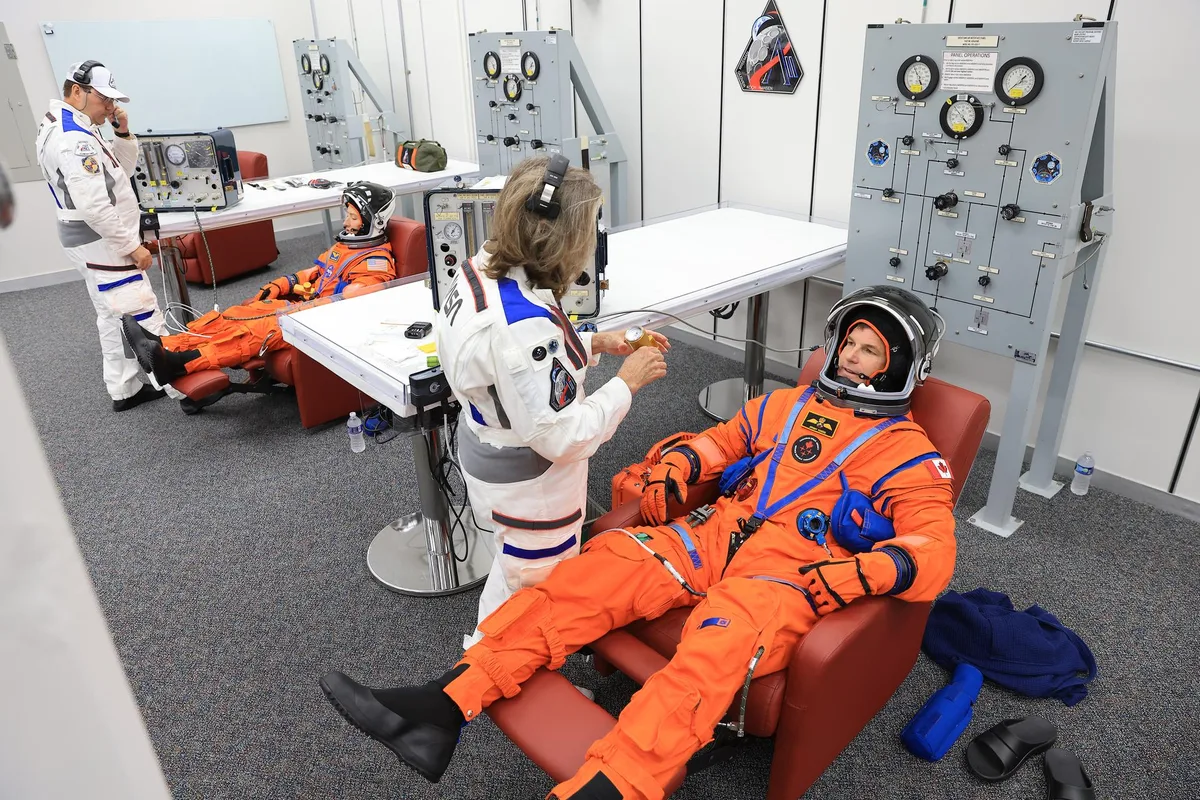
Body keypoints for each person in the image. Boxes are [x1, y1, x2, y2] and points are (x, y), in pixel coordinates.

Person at [318, 285, 959, 799]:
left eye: (870, 351)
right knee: (598, 569)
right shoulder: (784, 404)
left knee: (716, 647)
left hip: (786, 575)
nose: (850, 357)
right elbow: (724, 441)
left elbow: (933, 549)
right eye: (850, 343)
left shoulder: (907, 453)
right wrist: (683, 461)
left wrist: (857, 576)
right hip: (716, 534)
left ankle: (613, 785)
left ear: (899, 369)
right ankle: (442, 706)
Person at [433, 155, 669, 648]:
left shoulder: (484, 270)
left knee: (511, 576)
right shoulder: (519, 326)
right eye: (588, 232)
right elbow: (564, 436)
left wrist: (595, 342)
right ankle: (512, 679)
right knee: (536, 601)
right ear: (560, 238)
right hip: (533, 490)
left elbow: (517, 370)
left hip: (495, 457)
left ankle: (479, 656)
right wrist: (626, 383)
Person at [121, 182, 397, 388]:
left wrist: (321, 301)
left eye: (353, 217)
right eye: (347, 215)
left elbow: (360, 299)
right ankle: (164, 343)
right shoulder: (346, 246)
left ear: (373, 222)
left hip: (321, 322)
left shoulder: (376, 262)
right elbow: (314, 273)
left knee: (251, 333)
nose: (346, 222)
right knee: (234, 315)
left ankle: (179, 364)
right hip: (305, 309)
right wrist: (280, 284)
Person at [35, 61, 182, 411]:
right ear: (77, 91)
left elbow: (118, 172)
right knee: (141, 310)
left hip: (87, 239)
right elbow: (95, 206)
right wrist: (131, 247)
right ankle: (187, 389)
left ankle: (124, 389)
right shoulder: (74, 139)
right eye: (105, 99)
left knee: (112, 315)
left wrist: (123, 133)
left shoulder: (69, 123)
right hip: (101, 241)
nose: (111, 107)